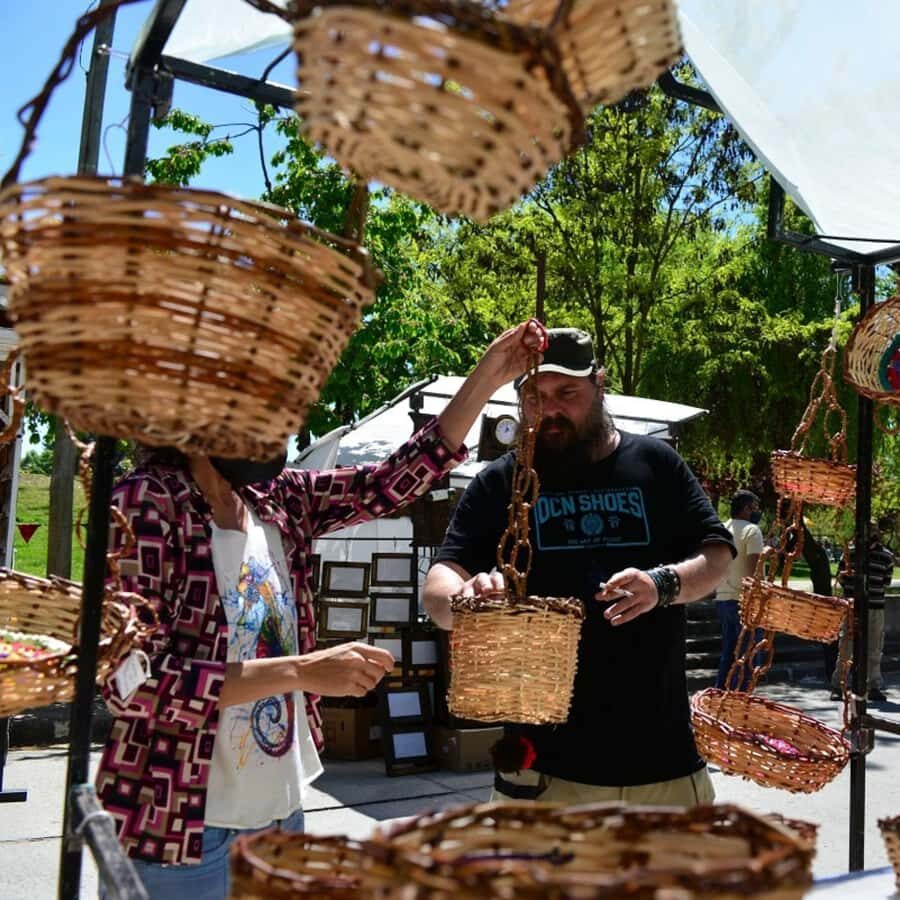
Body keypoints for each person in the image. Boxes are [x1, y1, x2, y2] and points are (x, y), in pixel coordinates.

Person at [95, 319, 547, 898]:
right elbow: (131, 682)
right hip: (182, 829)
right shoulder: (146, 505)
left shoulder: (274, 500)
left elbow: (392, 480)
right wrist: (304, 671)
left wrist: (487, 376)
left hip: (281, 814)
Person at [423, 327, 734, 808]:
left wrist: (663, 584)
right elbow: (439, 589)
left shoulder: (656, 463)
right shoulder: (499, 482)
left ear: (600, 385)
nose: (549, 409)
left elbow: (717, 555)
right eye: (535, 396)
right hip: (542, 775)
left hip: (661, 768)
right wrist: (465, 600)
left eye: (567, 393)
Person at [830, 522, 897, 702]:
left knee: (874, 647)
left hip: (874, 607)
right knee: (846, 646)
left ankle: (873, 684)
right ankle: (839, 684)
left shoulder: (886, 556)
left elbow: (885, 582)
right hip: (853, 608)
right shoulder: (850, 553)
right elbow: (841, 578)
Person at [714, 490, 764, 690]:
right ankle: (740, 699)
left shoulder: (721, 529)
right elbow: (754, 572)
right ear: (746, 508)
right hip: (745, 601)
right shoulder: (752, 531)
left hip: (723, 598)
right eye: (754, 507)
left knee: (728, 653)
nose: (756, 512)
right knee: (749, 656)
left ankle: (720, 695)